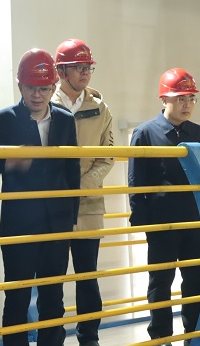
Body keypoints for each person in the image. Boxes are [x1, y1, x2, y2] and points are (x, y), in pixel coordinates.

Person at [0, 48, 81, 346]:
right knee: (17, 295)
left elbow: (72, 170)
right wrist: (11, 160)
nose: (37, 95)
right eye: (31, 88)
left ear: (53, 87)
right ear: (19, 85)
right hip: (19, 224)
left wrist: (72, 218)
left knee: (53, 295)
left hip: (57, 222)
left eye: (44, 89)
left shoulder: (65, 120)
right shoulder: (1, 119)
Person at [128, 68, 200, 345]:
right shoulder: (145, 133)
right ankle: (161, 337)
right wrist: (142, 220)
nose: (187, 104)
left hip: (195, 221)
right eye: (180, 98)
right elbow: (136, 180)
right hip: (162, 223)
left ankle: (193, 335)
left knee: (196, 280)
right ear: (164, 98)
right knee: (160, 281)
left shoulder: (199, 134)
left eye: (191, 98)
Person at [51, 39, 114, 346]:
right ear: (61, 71)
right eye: (78, 67)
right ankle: (53, 337)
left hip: (89, 206)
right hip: (52, 206)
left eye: (88, 67)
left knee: (87, 276)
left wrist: (81, 187)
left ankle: (89, 337)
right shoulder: (44, 103)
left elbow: (108, 156)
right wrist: (61, 190)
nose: (85, 72)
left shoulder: (100, 109)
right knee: (52, 278)